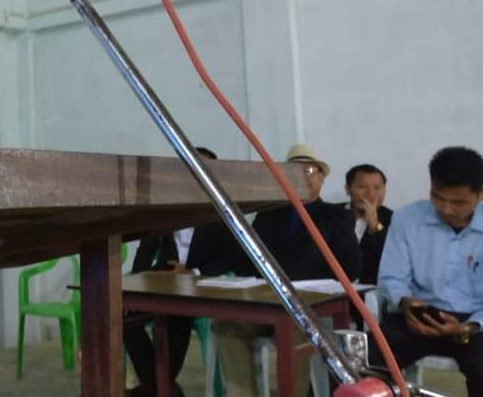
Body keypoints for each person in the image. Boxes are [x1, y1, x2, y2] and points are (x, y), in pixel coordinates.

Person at [213, 143, 361, 396]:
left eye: (310, 171)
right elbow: (246, 261)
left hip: (311, 306)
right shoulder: (268, 215)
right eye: (295, 171)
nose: (304, 177)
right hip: (267, 302)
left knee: (295, 330)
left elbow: (350, 267)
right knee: (228, 324)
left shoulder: (336, 217)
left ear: (322, 178)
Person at [123, 147, 241, 397]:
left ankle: (155, 389)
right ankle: (163, 388)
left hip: (200, 284)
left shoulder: (224, 212)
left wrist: (193, 272)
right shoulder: (166, 205)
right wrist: (134, 286)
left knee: (176, 316)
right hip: (162, 281)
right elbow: (146, 248)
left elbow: (232, 256)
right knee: (123, 315)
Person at [370, 146, 483, 395]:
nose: (446, 209)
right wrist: (405, 302)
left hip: (476, 322)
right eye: (438, 197)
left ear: (481, 194)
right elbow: (392, 277)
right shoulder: (408, 218)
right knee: (364, 363)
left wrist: (469, 327)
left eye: (458, 202)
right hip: (418, 315)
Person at [343, 164, 393, 285]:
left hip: (374, 289)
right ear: (348, 189)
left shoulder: (394, 219)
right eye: (362, 187)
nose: (370, 193)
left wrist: (374, 224)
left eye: (377, 188)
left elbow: (392, 259)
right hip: (334, 287)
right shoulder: (331, 214)